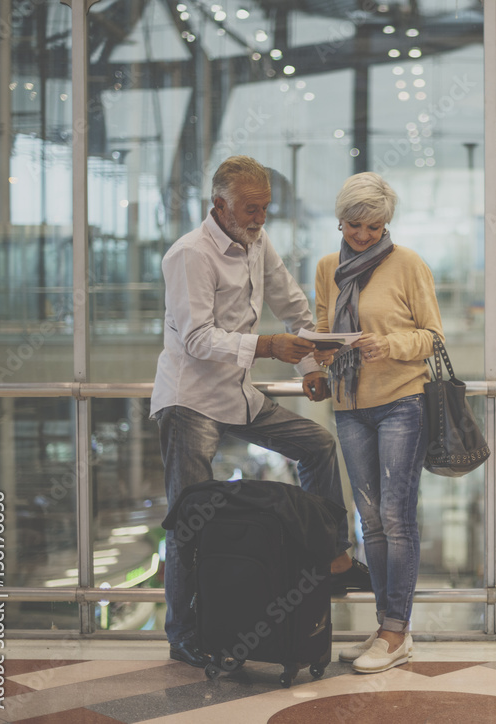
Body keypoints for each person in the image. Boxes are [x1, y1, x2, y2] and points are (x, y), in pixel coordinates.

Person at [150, 155, 371, 669]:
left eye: (265, 207)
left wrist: (312, 366)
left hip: (237, 394)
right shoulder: (189, 255)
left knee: (317, 445)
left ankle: (333, 557)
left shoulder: (257, 242)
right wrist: (270, 347)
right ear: (219, 206)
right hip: (189, 401)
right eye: (250, 208)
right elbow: (198, 338)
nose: (259, 217)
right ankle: (183, 637)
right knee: (188, 522)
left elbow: (293, 304)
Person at [313, 172, 444, 674]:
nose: (362, 235)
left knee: (395, 517)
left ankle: (396, 630)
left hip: (400, 402)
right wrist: (319, 352)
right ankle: (387, 626)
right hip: (349, 405)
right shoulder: (329, 267)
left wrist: (387, 343)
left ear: (387, 222)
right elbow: (324, 330)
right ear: (340, 220)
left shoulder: (408, 264)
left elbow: (433, 337)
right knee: (369, 522)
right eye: (353, 226)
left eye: (373, 226)